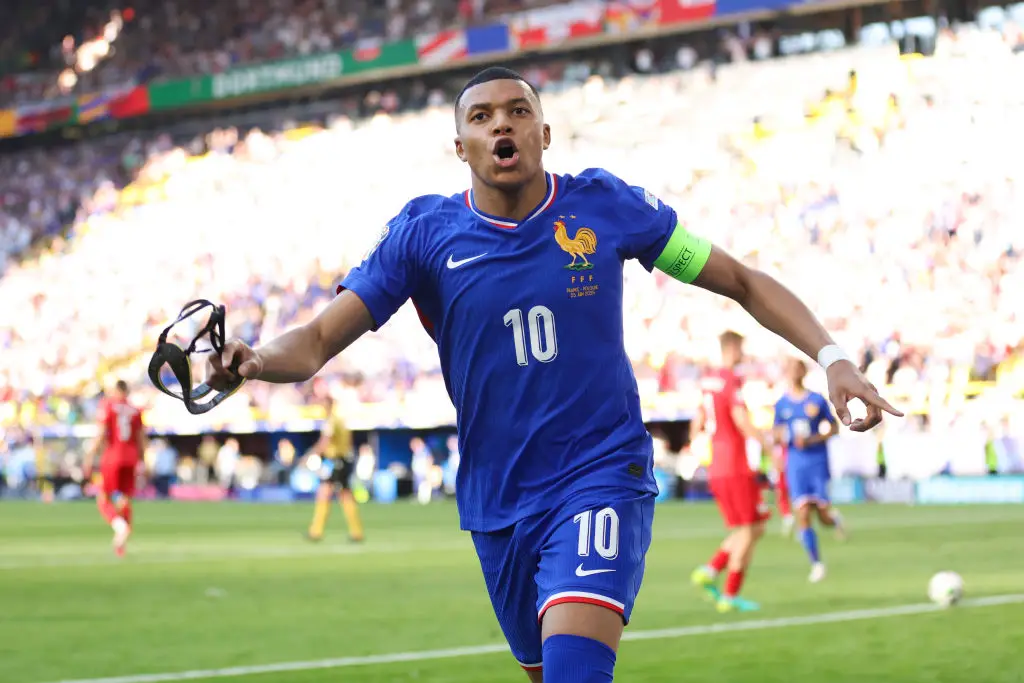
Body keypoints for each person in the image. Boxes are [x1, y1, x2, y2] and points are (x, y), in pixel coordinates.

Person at [205, 67, 901, 682]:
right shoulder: (421, 236)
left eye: (516, 111)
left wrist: (833, 358)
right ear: (460, 147)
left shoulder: (606, 206)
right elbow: (322, 336)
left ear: (544, 132)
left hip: (600, 475)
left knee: (575, 670)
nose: (500, 123)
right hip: (497, 501)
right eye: (480, 116)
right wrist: (257, 359)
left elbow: (742, 282)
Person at [690, 331, 770, 613]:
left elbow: (697, 421)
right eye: (741, 348)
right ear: (732, 347)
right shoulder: (729, 380)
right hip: (736, 465)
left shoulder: (708, 382)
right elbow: (740, 418)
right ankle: (728, 593)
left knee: (754, 525)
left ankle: (710, 571)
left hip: (718, 466)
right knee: (749, 529)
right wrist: (767, 445)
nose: (743, 354)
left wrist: (696, 446)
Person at [773, 357, 845, 582]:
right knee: (803, 513)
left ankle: (833, 519)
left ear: (803, 372)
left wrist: (814, 438)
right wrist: (785, 438)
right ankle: (817, 563)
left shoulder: (816, 400)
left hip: (817, 461)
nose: (793, 372)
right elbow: (775, 432)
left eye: (797, 368)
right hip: (796, 463)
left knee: (820, 514)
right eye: (790, 368)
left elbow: (834, 427)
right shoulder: (782, 404)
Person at [85, 380, 146, 556]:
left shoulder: (108, 406)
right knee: (125, 498)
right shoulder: (136, 411)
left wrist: (90, 456)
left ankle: (120, 527)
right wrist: (143, 462)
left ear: (117, 390)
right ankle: (121, 543)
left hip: (112, 457)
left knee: (103, 497)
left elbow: (101, 433)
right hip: (131, 457)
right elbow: (141, 439)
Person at [306, 396, 364, 542]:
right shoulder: (341, 421)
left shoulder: (332, 421)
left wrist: (311, 454)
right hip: (342, 460)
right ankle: (354, 531)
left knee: (332, 494)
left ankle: (318, 531)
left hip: (335, 461)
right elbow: (349, 441)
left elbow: (325, 441)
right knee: (335, 493)